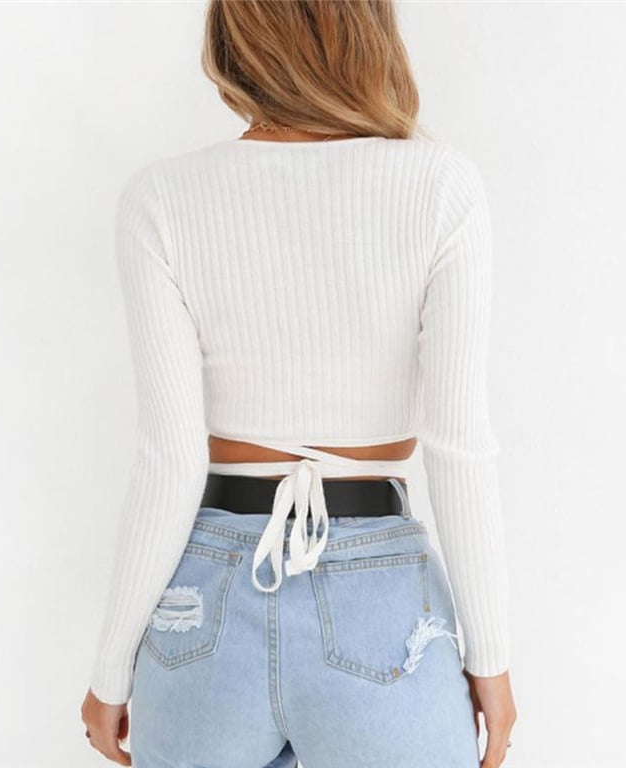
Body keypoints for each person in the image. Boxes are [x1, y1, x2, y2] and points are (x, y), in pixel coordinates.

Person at [80, 1, 518, 766]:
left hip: (205, 603)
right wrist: (492, 659)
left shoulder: (161, 198)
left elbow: (168, 461)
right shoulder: (440, 185)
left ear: (234, 36)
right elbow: (458, 448)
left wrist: (110, 672)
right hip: (381, 608)